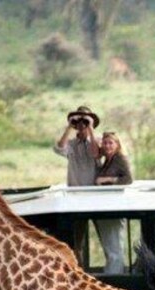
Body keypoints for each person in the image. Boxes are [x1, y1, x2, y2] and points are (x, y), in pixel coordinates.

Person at [94, 132, 133, 274]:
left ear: (117, 145)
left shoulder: (120, 158)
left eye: (111, 143)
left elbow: (128, 179)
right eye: (105, 143)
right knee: (110, 248)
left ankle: (115, 281)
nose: (107, 145)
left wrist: (107, 180)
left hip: (114, 207)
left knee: (114, 249)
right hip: (105, 207)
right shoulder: (107, 160)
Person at [53, 105, 101, 186]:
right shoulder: (71, 144)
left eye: (85, 120)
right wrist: (69, 126)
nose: (81, 123)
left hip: (93, 188)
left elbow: (95, 153)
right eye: (79, 120)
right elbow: (60, 148)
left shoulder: (99, 140)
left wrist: (90, 127)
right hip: (75, 187)